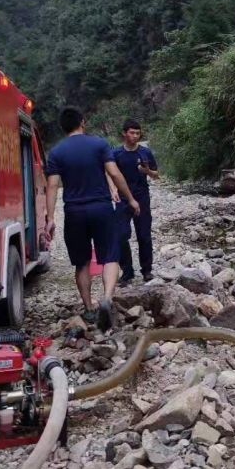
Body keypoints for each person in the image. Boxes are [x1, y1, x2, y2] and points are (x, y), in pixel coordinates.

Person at [44, 107, 140, 331]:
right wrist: (131, 199)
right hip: (101, 209)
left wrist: (50, 218)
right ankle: (106, 298)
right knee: (109, 257)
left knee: (82, 262)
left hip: (74, 212)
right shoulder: (99, 144)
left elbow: (52, 186)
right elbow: (114, 174)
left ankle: (88, 308)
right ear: (83, 122)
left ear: (63, 127)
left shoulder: (57, 152)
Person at [108, 119, 159, 286]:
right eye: (132, 133)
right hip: (122, 199)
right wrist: (113, 189)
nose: (135, 136)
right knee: (121, 235)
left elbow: (156, 174)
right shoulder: (116, 154)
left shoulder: (145, 153)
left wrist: (147, 171)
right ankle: (127, 272)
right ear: (124, 133)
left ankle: (147, 271)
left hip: (142, 197)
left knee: (144, 235)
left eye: (138, 133)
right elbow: (108, 172)